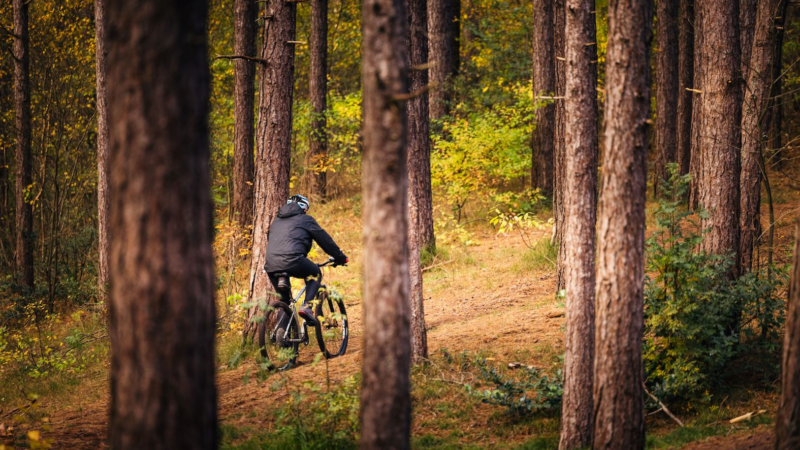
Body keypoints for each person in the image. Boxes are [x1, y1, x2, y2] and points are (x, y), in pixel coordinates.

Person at [264, 194, 348, 326]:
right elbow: (324, 240)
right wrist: (340, 257)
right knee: (315, 273)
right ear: (304, 208)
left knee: (285, 302)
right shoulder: (305, 219)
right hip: (293, 260)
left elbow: (272, 240)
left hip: (271, 265)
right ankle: (307, 307)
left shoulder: (276, 221)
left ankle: (282, 335)